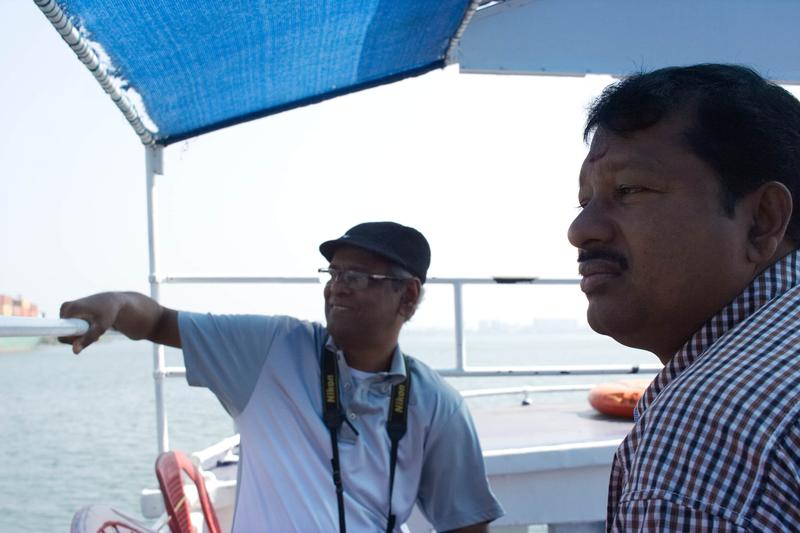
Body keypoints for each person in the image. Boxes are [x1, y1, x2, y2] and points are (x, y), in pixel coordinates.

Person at [60, 221, 503, 532]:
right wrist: (116, 304)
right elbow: (158, 321)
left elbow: (465, 522)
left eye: (355, 275)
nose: (336, 286)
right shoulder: (269, 351)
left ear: (407, 296)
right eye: (332, 273)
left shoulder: (437, 404)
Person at [568, 63, 800, 531]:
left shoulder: (711, 431)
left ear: (762, 221)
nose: (581, 231)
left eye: (629, 189)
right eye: (584, 200)